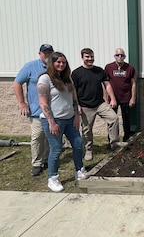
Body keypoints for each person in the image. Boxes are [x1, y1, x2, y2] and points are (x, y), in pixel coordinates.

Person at [37, 52, 87, 192]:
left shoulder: (67, 78)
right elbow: (43, 103)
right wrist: (51, 122)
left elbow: (74, 96)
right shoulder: (45, 79)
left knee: (77, 144)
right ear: (52, 63)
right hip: (54, 120)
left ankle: (79, 170)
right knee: (56, 149)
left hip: (70, 118)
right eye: (58, 62)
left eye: (63, 62)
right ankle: (53, 178)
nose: (61, 64)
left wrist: (76, 114)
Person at [72, 48, 127, 161]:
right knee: (87, 129)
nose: (90, 59)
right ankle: (89, 150)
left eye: (91, 56)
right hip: (85, 106)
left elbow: (107, 85)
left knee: (114, 119)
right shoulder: (76, 73)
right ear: (82, 58)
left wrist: (112, 99)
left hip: (100, 104)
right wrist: (77, 105)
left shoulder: (99, 71)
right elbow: (73, 91)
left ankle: (115, 144)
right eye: (87, 57)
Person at [13, 44, 54, 176]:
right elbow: (17, 83)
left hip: (53, 110)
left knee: (50, 135)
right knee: (37, 137)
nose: (47, 55)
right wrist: (21, 103)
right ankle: (37, 163)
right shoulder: (30, 66)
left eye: (49, 52)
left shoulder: (56, 66)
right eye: (44, 53)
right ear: (40, 54)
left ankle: (47, 158)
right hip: (37, 110)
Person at [104, 48, 137, 142]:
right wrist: (106, 97)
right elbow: (105, 83)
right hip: (112, 98)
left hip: (126, 97)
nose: (120, 57)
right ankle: (112, 140)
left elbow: (133, 83)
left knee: (126, 119)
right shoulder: (108, 67)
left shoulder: (130, 68)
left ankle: (126, 138)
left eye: (122, 55)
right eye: (118, 55)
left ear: (124, 57)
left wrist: (133, 98)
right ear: (114, 56)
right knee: (111, 120)